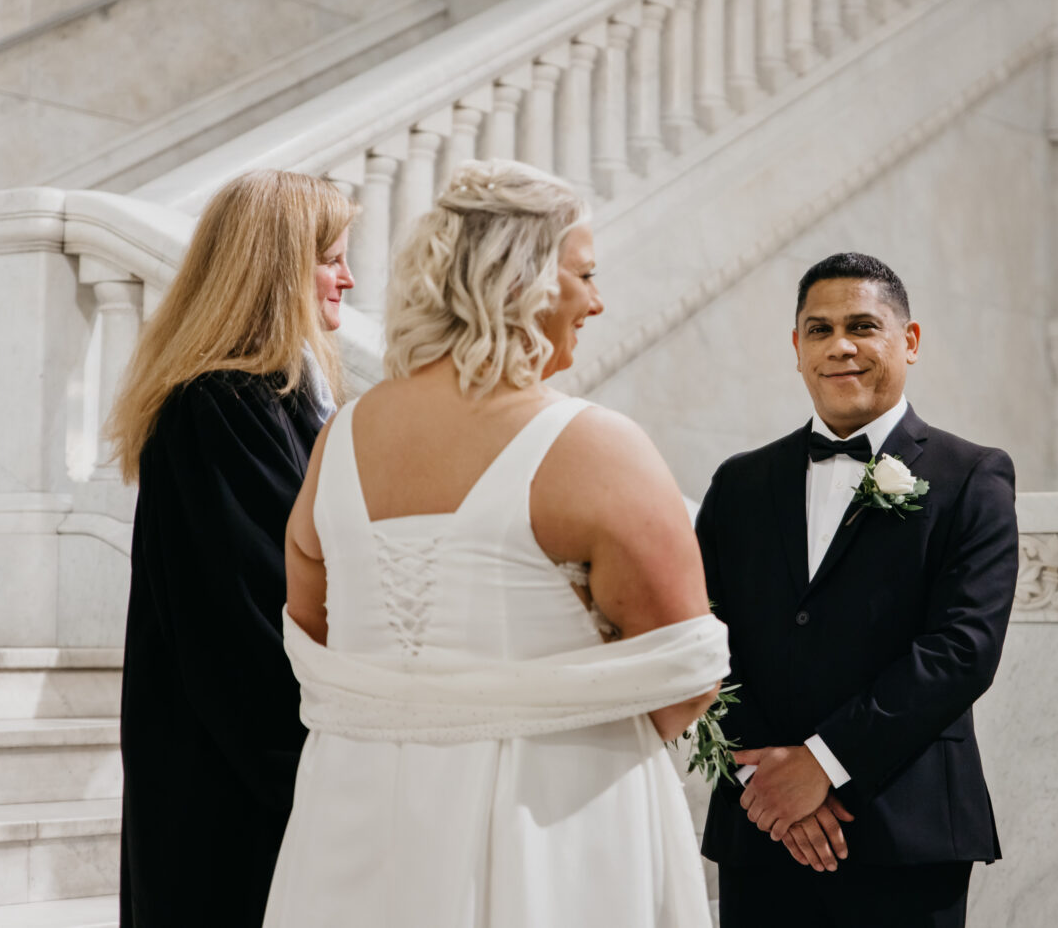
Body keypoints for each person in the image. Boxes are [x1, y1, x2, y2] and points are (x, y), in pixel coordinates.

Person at [263, 158, 728, 927]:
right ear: (525, 279)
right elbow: (687, 673)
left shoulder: (342, 438)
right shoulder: (596, 446)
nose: (598, 299)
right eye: (584, 273)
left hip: (357, 821)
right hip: (552, 827)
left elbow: (314, 629)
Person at [698, 252, 1020, 928]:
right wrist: (768, 781)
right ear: (795, 348)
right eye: (818, 329)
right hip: (762, 831)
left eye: (862, 325)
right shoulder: (738, 483)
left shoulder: (974, 476)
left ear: (910, 340)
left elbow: (962, 649)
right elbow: (702, 633)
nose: (839, 345)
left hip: (904, 829)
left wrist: (822, 762)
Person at [109, 170, 355, 927]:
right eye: (332, 257)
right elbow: (242, 624)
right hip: (227, 798)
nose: (347, 277)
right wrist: (330, 787)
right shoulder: (217, 406)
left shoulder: (283, 400)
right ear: (277, 265)